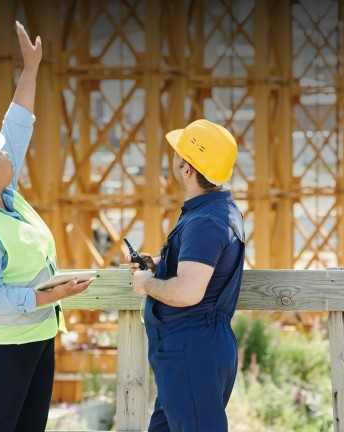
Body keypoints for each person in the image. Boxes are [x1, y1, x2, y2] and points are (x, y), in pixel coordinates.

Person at [0, 22, 93, 432]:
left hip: (38, 337)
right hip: (1, 346)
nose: (7, 152)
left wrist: (31, 68)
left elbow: (18, 127)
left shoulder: (7, 197)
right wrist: (49, 296)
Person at [130, 119, 244, 431]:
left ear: (187, 169)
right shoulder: (219, 211)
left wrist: (146, 284)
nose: (175, 160)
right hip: (192, 349)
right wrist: (161, 265)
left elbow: (189, 292)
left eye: (179, 154)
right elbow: (204, 269)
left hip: (191, 351)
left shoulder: (206, 221)